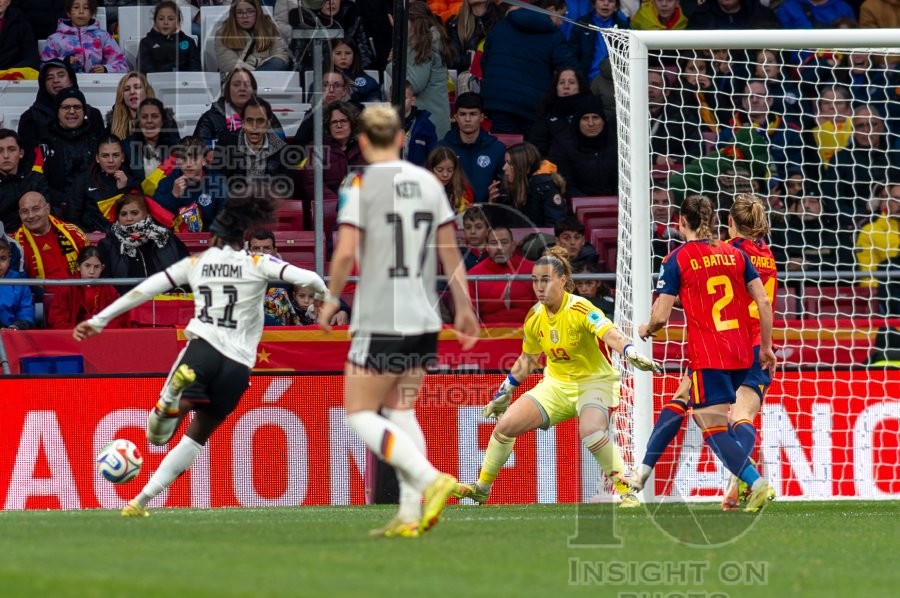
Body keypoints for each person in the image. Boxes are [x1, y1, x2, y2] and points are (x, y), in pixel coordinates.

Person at [74, 193, 329, 518]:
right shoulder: (259, 263)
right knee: (194, 441)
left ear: (214, 238)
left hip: (204, 349)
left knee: (156, 436)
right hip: (238, 367)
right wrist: (325, 299)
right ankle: (141, 501)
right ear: (243, 241)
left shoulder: (198, 264)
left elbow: (146, 289)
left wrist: (99, 320)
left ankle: (173, 401)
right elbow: (311, 279)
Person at [317, 104, 479, 538]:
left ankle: (430, 481)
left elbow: (347, 251)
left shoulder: (361, 183)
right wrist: (463, 306)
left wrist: (331, 297)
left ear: (364, 142)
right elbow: (450, 252)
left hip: (380, 316)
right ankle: (410, 515)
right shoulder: (429, 182)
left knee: (359, 412)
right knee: (401, 409)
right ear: (403, 139)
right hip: (424, 316)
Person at [453, 245, 659, 507]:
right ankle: (481, 489)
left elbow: (610, 334)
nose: (539, 287)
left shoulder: (581, 309)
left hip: (594, 382)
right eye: (535, 280)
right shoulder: (535, 317)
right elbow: (528, 359)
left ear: (562, 281)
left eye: (546, 280)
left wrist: (629, 351)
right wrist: (503, 392)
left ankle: (626, 491)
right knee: (505, 427)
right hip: (556, 385)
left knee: (591, 430)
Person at [628, 194, 777, 513]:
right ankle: (644, 474)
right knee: (735, 415)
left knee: (703, 417)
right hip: (747, 346)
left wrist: (653, 321)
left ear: (730, 223)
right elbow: (762, 301)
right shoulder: (764, 256)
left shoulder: (718, 251)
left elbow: (684, 303)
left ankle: (752, 481)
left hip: (714, 345)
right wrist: (766, 346)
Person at [480, 0, 579, 135]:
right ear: (550, 9)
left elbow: (485, 61)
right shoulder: (553, 35)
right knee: (529, 152)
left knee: (505, 147)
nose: (562, 23)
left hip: (499, 100)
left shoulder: (501, 26)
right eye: (561, 16)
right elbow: (570, 67)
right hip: (533, 104)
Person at [98, 191, 189, 294]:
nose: (129, 218)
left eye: (134, 213)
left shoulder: (166, 238)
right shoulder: (108, 245)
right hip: (127, 304)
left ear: (146, 213)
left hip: (166, 303)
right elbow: (105, 286)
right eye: (123, 214)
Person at [386, 2, 453, 138]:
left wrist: (391, 65)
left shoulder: (425, 45)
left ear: (415, 22)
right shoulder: (427, 42)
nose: (400, 27)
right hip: (429, 119)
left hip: (429, 122)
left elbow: (413, 85)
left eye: (403, 22)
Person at [35, 88, 104, 213]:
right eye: (66, 107)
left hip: (93, 206)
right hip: (56, 207)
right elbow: (38, 180)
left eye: (77, 107)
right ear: (57, 111)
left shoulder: (97, 141)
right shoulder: (45, 142)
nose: (72, 111)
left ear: (84, 111)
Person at [17, 59, 105, 155]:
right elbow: (27, 158)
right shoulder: (31, 118)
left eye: (61, 75)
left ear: (71, 80)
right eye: (49, 77)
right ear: (44, 84)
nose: (56, 80)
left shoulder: (92, 115)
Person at [437, 92, 506, 205]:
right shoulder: (441, 148)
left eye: (473, 114)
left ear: (482, 117)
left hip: (486, 215)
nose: (467, 119)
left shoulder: (497, 149)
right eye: (463, 114)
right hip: (450, 215)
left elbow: (504, 188)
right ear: (455, 117)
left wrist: (494, 201)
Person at [194, 67, 285, 148]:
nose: (242, 88)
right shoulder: (209, 119)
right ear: (227, 90)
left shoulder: (266, 116)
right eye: (236, 85)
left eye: (247, 85)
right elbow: (199, 154)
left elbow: (279, 147)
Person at [548, 94, 618, 198]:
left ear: (603, 121)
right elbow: (565, 183)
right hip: (577, 207)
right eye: (585, 118)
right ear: (577, 122)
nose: (591, 123)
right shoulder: (562, 144)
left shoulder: (617, 143)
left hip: (618, 205)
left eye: (595, 117)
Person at [154, 136, 227, 232]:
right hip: (175, 241)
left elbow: (225, 222)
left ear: (204, 161)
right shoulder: (166, 183)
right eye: (183, 158)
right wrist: (173, 196)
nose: (188, 164)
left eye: (194, 158)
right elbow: (157, 220)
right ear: (178, 161)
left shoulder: (218, 184)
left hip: (208, 240)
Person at [65, 135, 137, 233]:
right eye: (105, 156)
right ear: (97, 158)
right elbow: (71, 217)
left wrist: (123, 190)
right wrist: (88, 233)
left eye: (115, 155)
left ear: (123, 157)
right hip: (89, 238)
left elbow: (135, 217)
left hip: (122, 238)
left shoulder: (131, 180)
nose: (111, 160)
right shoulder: (83, 180)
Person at [13, 191, 89, 281]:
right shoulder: (15, 243)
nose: (30, 215)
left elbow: (92, 266)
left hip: (76, 292)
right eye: (24, 211)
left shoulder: (72, 232)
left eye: (36, 209)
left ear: (47, 209)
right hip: (38, 294)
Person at [47, 245, 127, 329]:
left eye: (96, 267)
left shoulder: (108, 288)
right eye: (87, 266)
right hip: (74, 335)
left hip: (102, 335)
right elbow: (57, 320)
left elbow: (118, 318)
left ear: (102, 268)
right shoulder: (67, 287)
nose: (92, 271)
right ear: (78, 266)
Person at [468, 225, 535, 324]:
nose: (499, 248)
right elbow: (471, 317)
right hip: (489, 335)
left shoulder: (534, 270)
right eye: (494, 243)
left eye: (504, 243)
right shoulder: (473, 275)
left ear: (513, 246)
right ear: (487, 247)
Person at [491, 142, 567, 229]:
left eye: (509, 163)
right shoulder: (505, 187)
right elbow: (499, 227)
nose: (504, 168)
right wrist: (493, 204)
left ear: (525, 168)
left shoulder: (545, 189)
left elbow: (554, 227)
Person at [40, 0, 128, 73]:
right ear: (68, 12)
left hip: (97, 85)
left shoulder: (104, 36)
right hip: (65, 87)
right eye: (76, 7)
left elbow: (122, 65)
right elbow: (44, 67)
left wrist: (106, 69)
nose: (81, 11)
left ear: (92, 13)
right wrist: (64, 61)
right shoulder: (54, 39)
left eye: (86, 8)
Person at [214, 0, 291, 79]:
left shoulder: (270, 28)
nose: (245, 16)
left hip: (268, 80)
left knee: (277, 63)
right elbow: (230, 65)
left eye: (250, 11)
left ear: (257, 12)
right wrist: (257, 73)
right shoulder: (223, 33)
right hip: (237, 81)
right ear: (234, 15)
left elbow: (281, 56)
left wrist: (259, 70)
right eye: (240, 13)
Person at [527, 68, 590, 157]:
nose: (566, 86)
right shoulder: (546, 117)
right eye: (561, 82)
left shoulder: (592, 114)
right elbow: (535, 150)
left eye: (572, 82)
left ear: (580, 87)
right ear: (556, 88)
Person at [123, 98, 181, 188]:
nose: (149, 121)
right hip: (139, 198)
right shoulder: (127, 147)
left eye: (155, 116)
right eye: (144, 117)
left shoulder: (176, 147)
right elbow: (126, 179)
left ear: (162, 121)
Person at [0, 129, 51, 232]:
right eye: (0, 151)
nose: (6, 155)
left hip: (35, 238)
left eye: (11, 149)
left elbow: (48, 215)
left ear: (21, 153)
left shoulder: (36, 179)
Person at [137, 0, 202, 74]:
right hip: (154, 84)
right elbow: (145, 71)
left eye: (170, 19)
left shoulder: (189, 42)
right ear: (155, 21)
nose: (165, 22)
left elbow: (195, 70)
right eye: (161, 19)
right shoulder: (146, 43)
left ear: (178, 22)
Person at [107, 73, 158, 141]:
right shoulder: (112, 124)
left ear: (147, 92)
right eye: (127, 89)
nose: (132, 92)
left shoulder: (166, 121)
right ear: (122, 96)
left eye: (137, 87)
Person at [330, 37, 381, 104]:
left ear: (355, 55)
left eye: (348, 53)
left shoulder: (368, 81)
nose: (343, 57)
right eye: (338, 53)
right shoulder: (321, 80)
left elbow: (373, 108)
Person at [400, 82, 438, 168]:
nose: (399, 102)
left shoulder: (426, 126)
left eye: (404, 98)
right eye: (394, 98)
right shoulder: (383, 125)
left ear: (412, 101)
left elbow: (433, 158)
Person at [427, 146, 473, 215]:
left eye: (450, 170)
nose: (445, 175)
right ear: (431, 169)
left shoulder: (463, 189)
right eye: (440, 170)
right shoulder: (422, 187)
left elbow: (469, 219)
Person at [0, 237, 33, 330]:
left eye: (3, 258)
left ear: (9, 260)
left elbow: (26, 313)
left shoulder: (20, 283)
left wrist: (15, 327)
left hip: (11, 333)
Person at [0, 0, 40, 71]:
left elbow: (31, 57)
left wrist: (10, 72)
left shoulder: (21, 25)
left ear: (8, 2)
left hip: (12, 76)